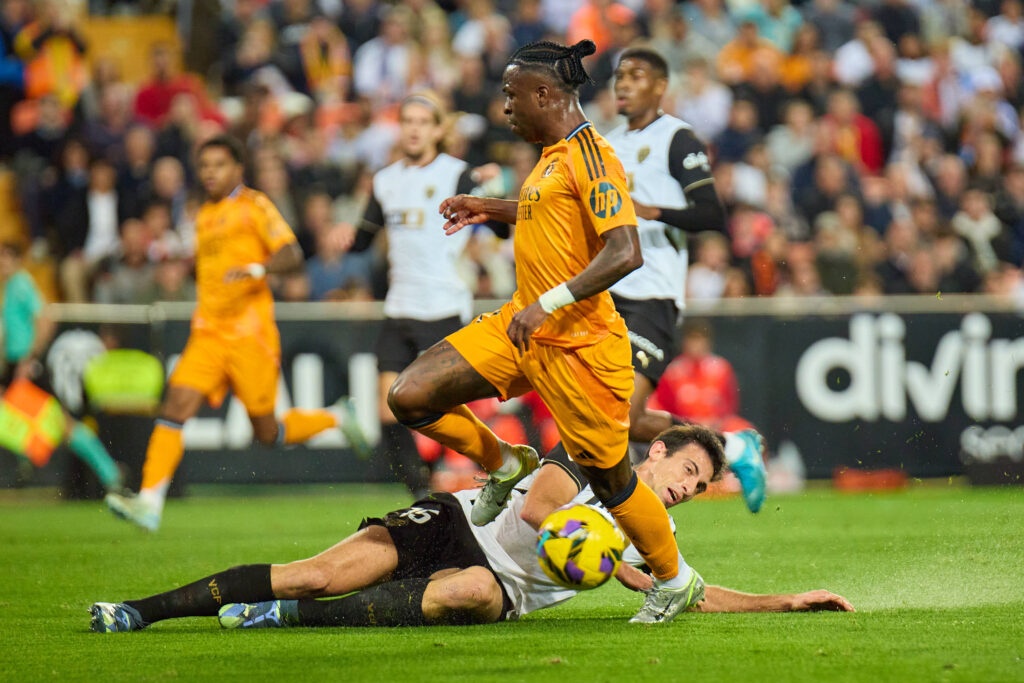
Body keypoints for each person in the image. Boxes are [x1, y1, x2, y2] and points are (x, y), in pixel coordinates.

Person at [388, 40, 695, 624]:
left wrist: (551, 301)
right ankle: (505, 463)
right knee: (410, 395)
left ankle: (675, 579)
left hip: (581, 347)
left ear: (545, 94)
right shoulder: (554, 154)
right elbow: (548, 213)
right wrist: (490, 207)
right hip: (521, 325)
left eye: (511, 95)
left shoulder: (594, 156)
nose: (505, 107)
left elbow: (625, 251)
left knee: (613, 483)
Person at [89, 425, 854, 632]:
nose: (686, 491)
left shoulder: (654, 534)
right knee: (316, 571)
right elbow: (535, 508)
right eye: (685, 472)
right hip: (456, 518)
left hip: (491, 583)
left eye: (698, 486)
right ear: (656, 452)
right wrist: (601, 557)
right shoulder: (593, 456)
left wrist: (785, 601)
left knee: (479, 593)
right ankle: (139, 610)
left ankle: (277, 616)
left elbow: (691, 593)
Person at [104, 136, 366, 533]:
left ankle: (334, 417)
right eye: (204, 165)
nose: (209, 172)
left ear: (237, 169)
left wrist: (258, 269)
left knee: (267, 432)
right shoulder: (203, 214)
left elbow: (292, 254)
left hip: (250, 335)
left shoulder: (254, 206)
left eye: (218, 164)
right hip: (207, 333)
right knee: (174, 407)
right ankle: (150, 502)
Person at [602, 48, 767, 513]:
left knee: (623, 416)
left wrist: (649, 210)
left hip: (650, 295)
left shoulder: (678, 138)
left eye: (637, 76)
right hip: (605, 293)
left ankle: (727, 453)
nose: (625, 84)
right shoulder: (607, 143)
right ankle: (732, 450)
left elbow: (712, 212)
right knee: (617, 418)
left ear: (660, 86)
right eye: (620, 76)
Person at [347, 92, 491, 497]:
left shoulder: (459, 174)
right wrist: (345, 238)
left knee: (447, 408)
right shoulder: (385, 180)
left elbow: (496, 228)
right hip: (399, 307)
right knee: (385, 409)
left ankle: (499, 468)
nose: (413, 128)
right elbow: (362, 238)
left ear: (438, 129)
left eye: (422, 121)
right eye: (407, 120)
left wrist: (493, 190)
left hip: (443, 306)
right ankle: (423, 496)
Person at [0, 241, 123, 494]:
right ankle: (28, 461)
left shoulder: (21, 284)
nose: (3, 263)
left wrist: (29, 358)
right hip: (13, 365)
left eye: (7, 258)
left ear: (16, 261)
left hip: (27, 365)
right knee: (13, 417)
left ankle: (110, 472)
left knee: (62, 423)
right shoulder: (7, 288)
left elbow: (45, 319)